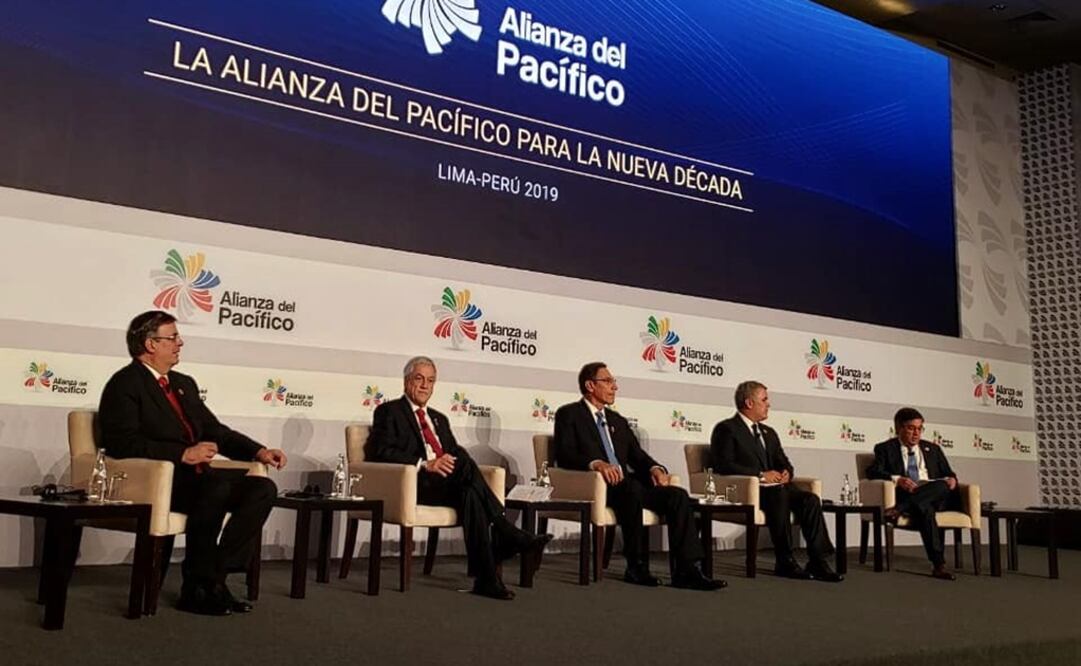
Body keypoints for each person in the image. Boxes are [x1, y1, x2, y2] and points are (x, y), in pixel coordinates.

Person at [98, 310, 287, 615]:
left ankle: (212, 578)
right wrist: (182, 454)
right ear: (150, 344)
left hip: (195, 479)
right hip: (155, 482)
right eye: (172, 337)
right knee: (214, 488)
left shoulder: (183, 383)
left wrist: (258, 452)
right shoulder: (125, 384)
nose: (180, 343)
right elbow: (122, 443)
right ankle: (200, 588)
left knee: (262, 489)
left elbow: (215, 431)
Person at [367, 356, 551, 600]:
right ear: (406, 381)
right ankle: (505, 529)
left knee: (470, 492)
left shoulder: (438, 418)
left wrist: (452, 461)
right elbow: (378, 451)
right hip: (414, 484)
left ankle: (486, 580)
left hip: (447, 485)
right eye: (419, 379)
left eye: (430, 380)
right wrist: (425, 464)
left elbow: (454, 452)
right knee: (465, 467)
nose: (424, 385)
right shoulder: (389, 412)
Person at [553, 362, 724, 590]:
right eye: (608, 381)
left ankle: (688, 570)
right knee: (631, 490)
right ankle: (637, 567)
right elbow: (564, 454)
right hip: (594, 486)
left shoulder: (617, 421)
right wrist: (596, 464)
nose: (615, 387)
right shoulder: (569, 414)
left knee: (678, 496)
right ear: (590, 385)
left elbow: (638, 457)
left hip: (625, 485)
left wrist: (655, 469)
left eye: (614, 382)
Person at [710, 380, 842, 582]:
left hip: (778, 489)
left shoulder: (769, 433)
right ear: (749, 403)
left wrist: (786, 473)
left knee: (810, 500)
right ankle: (784, 560)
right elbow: (723, 465)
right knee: (778, 495)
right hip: (749, 491)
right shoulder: (726, 429)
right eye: (764, 400)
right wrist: (761, 475)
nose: (768, 404)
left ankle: (818, 560)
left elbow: (784, 462)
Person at [866, 407, 960, 580]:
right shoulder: (885, 448)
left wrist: (952, 480)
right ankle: (939, 565)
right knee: (925, 509)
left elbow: (949, 474)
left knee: (941, 485)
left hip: (935, 494)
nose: (916, 433)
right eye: (911, 428)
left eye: (919, 428)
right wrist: (897, 479)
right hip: (911, 495)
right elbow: (872, 472)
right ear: (898, 428)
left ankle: (899, 509)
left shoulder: (933, 449)